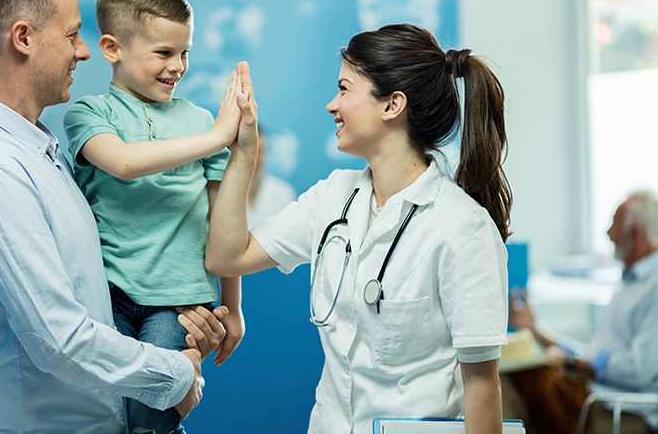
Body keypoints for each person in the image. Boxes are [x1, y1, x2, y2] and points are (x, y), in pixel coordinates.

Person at [0, 0, 227, 433]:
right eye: (72, 34)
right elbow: (61, 340)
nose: (85, 51)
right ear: (23, 38)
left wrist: (177, 314)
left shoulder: (39, 150)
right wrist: (177, 374)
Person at [198, 23, 513, 434]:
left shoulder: (463, 228)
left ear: (392, 105)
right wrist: (245, 153)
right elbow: (227, 256)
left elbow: (482, 385)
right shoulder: (332, 197)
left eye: (345, 89)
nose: (332, 104)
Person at [62, 0, 246, 434]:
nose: (177, 66)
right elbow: (122, 162)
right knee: (112, 413)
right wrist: (218, 137)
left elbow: (224, 219)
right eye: (163, 52)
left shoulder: (199, 120)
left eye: (185, 52)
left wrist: (233, 305)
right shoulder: (89, 113)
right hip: (111, 299)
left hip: (182, 304)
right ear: (112, 49)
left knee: (149, 416)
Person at [508, 190, 658, 434]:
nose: (608, 233)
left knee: (516, 386)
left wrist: (574, 363)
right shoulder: (629, 284)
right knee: (515, 379)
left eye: (615, 224)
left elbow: (638, 371)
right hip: (597, 400)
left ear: (636, 233)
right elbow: (593, 356)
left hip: (623, 413)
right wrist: (535, 331)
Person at [247, 127, 296, 227]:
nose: (260, 158)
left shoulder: (283, 192)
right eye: (254, 151)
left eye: (263, 150)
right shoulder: (224, 191)